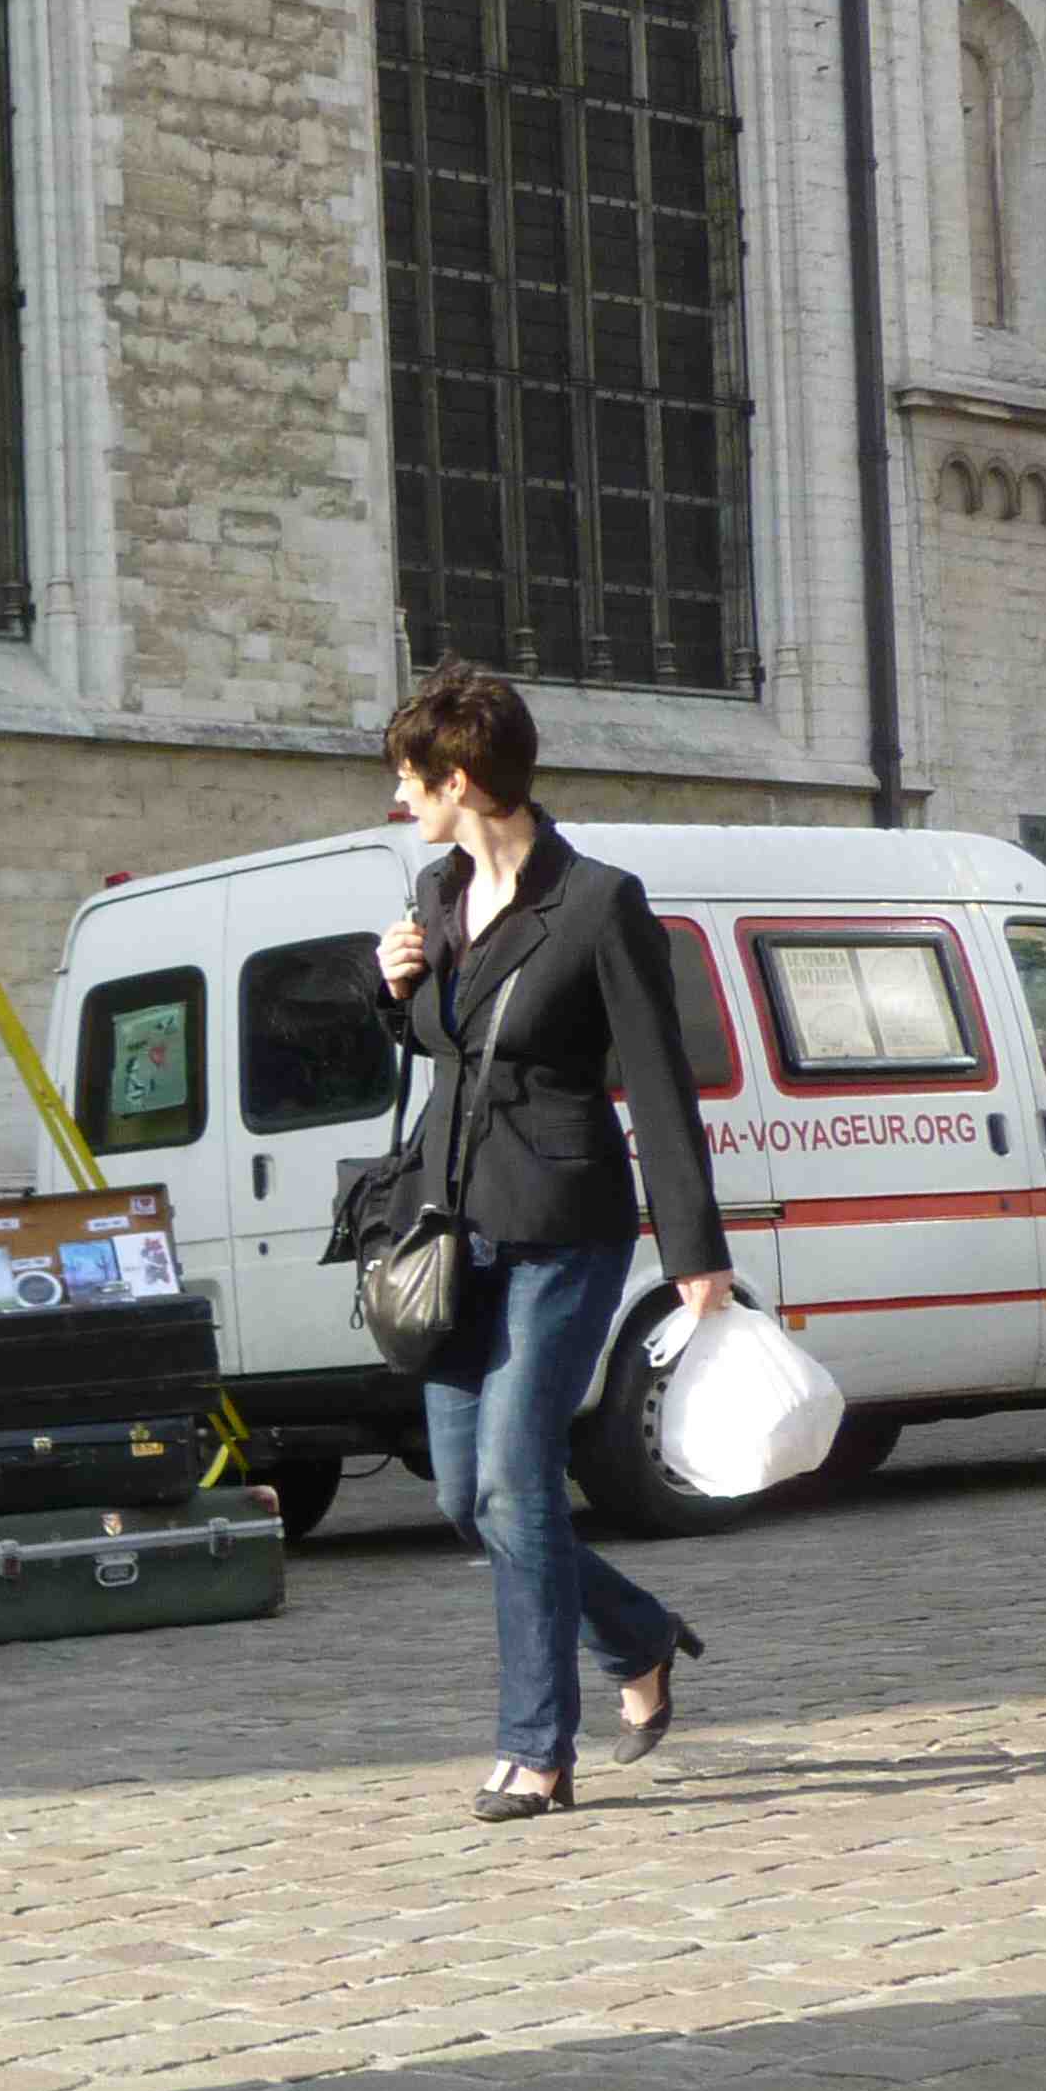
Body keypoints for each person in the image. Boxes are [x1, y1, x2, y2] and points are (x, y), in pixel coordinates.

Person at [368, 661, 740, 1824]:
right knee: (464, 1500)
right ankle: (635, 1634)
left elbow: (660, 1078)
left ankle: (536, 1747)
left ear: (463, 778)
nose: (400, 798)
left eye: (411, 778)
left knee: (518, 1479)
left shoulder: (598, 901)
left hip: (565, 1228)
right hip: (450, 1225)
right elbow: (445, 1044)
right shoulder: (434, 893)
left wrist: (695, 1248)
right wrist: (394, 989)